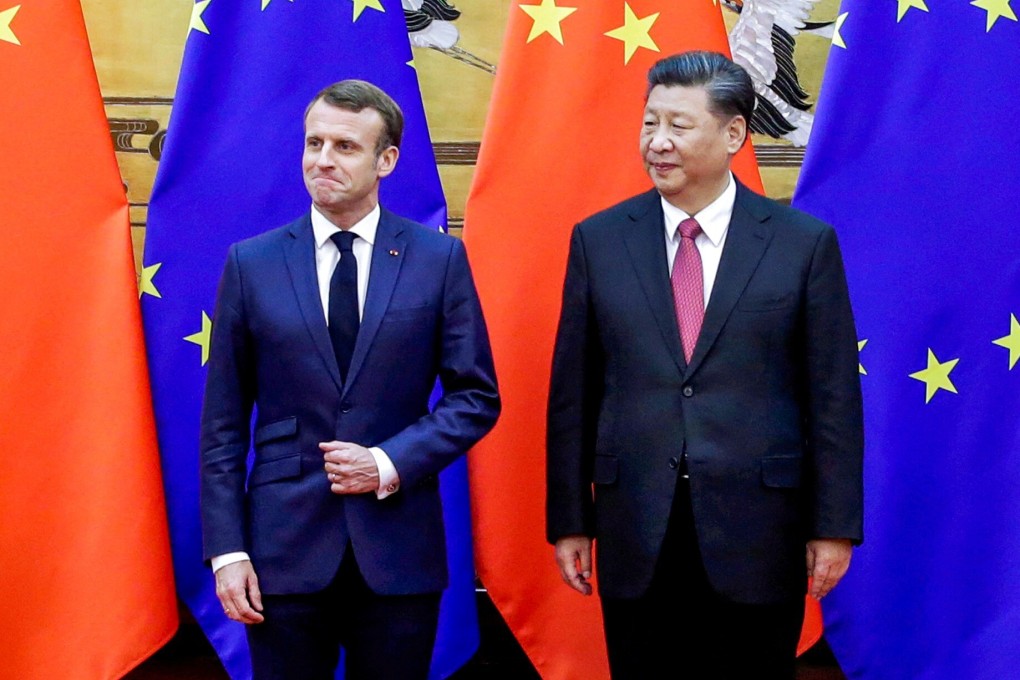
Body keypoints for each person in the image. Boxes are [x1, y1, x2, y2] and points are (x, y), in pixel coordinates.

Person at [546, 51, 863, 679]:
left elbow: (831, 399)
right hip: (636, 522)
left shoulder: (802, 244)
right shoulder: (599, 240)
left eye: (679, 126)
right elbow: (573, 393)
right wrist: (569, 521)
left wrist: (834, 528)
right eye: (649, 123)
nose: (658, 142)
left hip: (761, 531)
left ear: (734, 134)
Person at [200, 79, 500, 680]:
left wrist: (388, 463)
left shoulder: (436, 259)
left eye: (345, 146)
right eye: (314, 143)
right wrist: (228, 552)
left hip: (397, 549)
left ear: (386, 159)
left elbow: (476, 397)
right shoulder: (251, 263)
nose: (323, 160)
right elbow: (223, 426)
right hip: (279, 553)